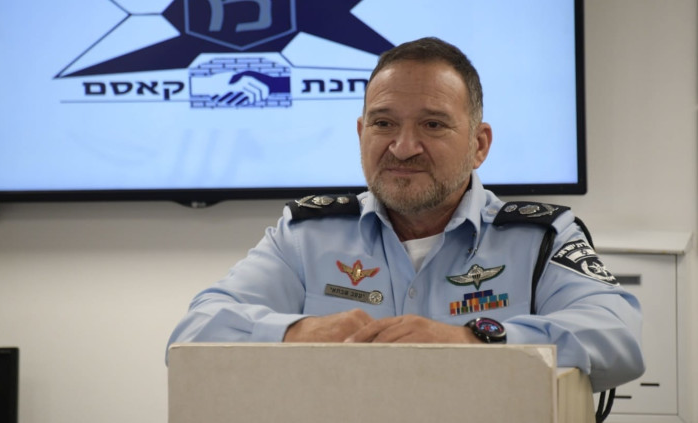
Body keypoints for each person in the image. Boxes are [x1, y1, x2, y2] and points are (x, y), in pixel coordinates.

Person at [167, 37, 645, 393]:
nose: (403, 147)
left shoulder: (540, 238)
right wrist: (297, 332)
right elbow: (193, 334)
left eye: (432, 124)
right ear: (362, 133)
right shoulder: (304, 236)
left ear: (479, 145)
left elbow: (618, 337)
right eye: (384, 123)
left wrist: (473, 342)